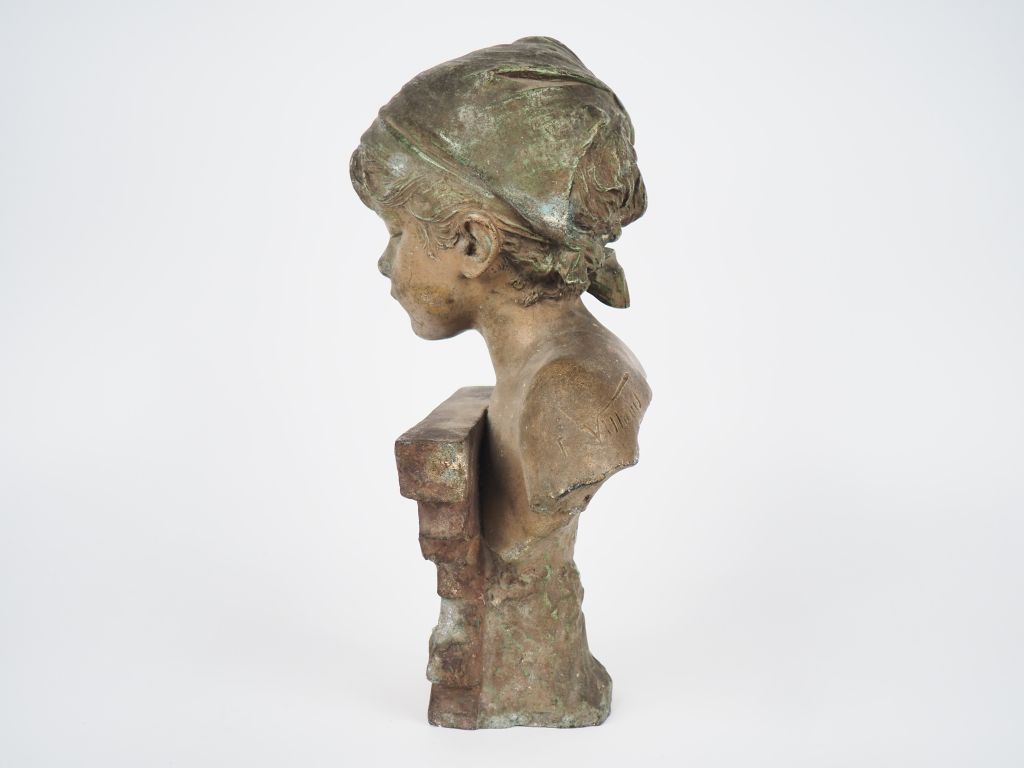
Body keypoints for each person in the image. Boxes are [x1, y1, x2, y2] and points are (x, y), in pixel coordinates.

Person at [351, 36, 651, 727]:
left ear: (473, 244)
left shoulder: (568, 395)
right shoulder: (553, 375)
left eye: (397, 233)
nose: (384, 262)